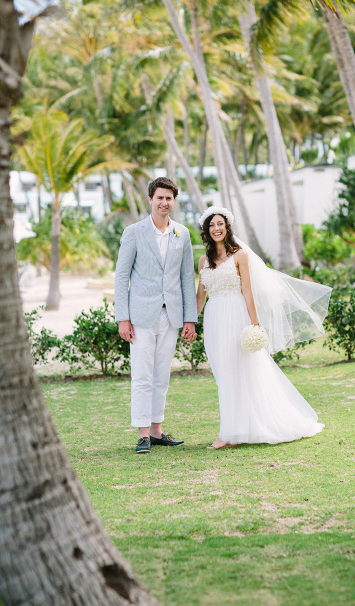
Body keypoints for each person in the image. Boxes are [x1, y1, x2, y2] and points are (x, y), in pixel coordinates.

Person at [196, 206, 332, 449]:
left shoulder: (240, 256)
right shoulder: (203, 261)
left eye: (220, 223)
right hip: (214, 319)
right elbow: (200, 296)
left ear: (227, 227)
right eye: (211, 225)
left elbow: (248, 290)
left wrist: (254, 324)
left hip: (236, 315)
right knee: (222, 373)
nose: (216, 228)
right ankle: (235, 429)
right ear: (206, 230)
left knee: (241, 372)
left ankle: (228, 435)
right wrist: (190, 322)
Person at [115, 177, 197, 454]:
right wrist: (122, 318)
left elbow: (187, 277)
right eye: (160, 197)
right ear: (150, 199)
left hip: (171, 316)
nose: (164, 203)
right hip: (140, 315)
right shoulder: (134, 232)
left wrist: (190, 318)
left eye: (169, 198)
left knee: (161, 375)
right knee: (141, 374)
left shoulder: (182, 233)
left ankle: (157, 430)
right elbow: (121, 277)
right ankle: (142, 435)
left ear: (174, 201)